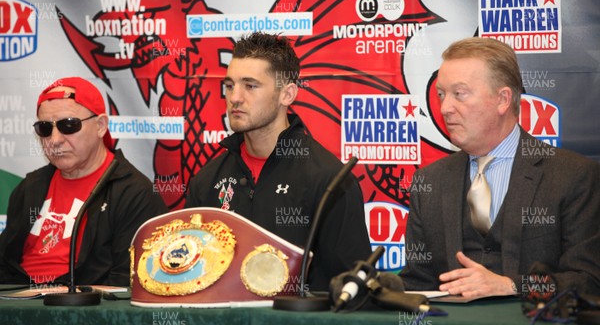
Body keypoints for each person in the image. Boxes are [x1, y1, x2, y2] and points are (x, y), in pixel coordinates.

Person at [400, 37, 600, 298]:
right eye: (441, 94)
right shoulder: (429, 181)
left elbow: (588, 282)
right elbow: (417, 283)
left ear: (503, 99)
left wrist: (511, 286)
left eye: (459, 94)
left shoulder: (573, 176)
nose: (445, 108)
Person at [185, 32, 372, 292]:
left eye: (250, 86)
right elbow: (190, 278)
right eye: (229, 85)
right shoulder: (207, 180)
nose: (235, 97)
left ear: (287, 94)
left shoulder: (331, 181)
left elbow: (350, 290)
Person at [0, 77, 167, 286]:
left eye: (68, 125)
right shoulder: (30, 187)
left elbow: (126, 285)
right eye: (45, 128)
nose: (55, 139)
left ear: (100, 126)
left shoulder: (135, 194)